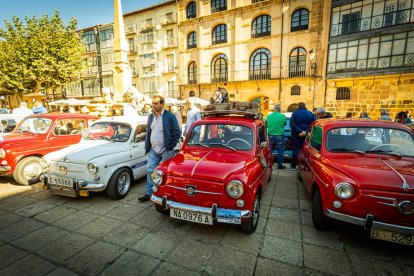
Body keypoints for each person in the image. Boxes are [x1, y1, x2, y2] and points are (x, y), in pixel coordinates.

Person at [138, 95, 181, 202]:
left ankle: (164, 193)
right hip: (153, 149)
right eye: (153, 103)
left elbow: (177, 132)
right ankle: (149, 193)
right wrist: (147, 145)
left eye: (156, 103)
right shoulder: (151, 116)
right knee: (149, 171)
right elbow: (149, 131)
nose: (153, 105)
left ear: (162, 104)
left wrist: (170, 147)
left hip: (166, 150)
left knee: (164, 173)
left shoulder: (169, 116)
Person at [290, 102, 315, 170]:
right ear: (305, 106)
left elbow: (292, 124)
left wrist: (300, 131)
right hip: (306, 135)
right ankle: (304, 166)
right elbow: (314, 124)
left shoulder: (295, 113)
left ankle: (293, 166)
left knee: (296, 149)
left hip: (296, 134)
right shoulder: (310, 113)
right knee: (305, 149)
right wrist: (306, 131)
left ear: (298, 106)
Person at [267, 104, 287, 169]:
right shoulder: (282, 116)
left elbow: (266, 124)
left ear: (274, 109)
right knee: (280, 150)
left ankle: (269, 164)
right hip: (279, 136)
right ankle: (280, 165)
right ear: (280, 110)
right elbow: (285, 124)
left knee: (270, 150)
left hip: (270, 135)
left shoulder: (269, 116)